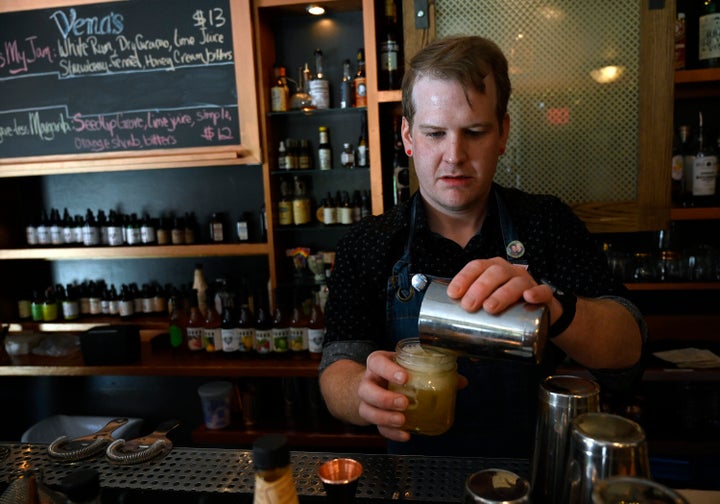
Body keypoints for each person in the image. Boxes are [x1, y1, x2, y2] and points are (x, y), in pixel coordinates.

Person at [318, 35, 645, 457]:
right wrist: (361, 392)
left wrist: (556, 310)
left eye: (474, 132)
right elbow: (336, 370)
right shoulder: (369, 242)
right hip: (414, 482)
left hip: (530, 474)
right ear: (407, 136)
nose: (454, 155)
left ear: (503, 132)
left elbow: (629, 348)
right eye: (435, 133)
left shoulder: (545, 222)